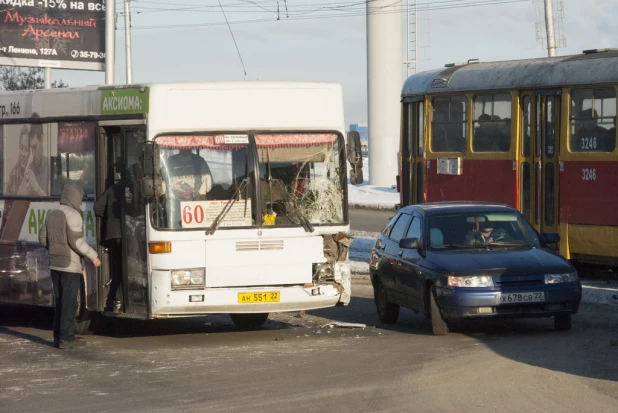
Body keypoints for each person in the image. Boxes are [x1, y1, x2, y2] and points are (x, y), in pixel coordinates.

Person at [39, 183, 101, 349]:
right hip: (69, 265)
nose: (80, 202)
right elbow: (76, 242)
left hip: (54, 264)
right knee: (69, 302)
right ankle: (67, 337)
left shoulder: (52, 213)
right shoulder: (73, 215)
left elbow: (42, 238)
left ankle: (57, 336)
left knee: (59, 301)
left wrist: (53, 250)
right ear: (75, 197)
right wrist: (93, 256)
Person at [162, 149, 213, 228]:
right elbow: (208, 184)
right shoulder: (199, 161)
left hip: (186, 206)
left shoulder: (169, 161)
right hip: (181, 207)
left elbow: (208, 183)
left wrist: (199, 197)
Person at [94, 180, 124, 313]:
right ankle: (119, 299)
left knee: (117, 267)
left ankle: (113, 300)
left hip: (112, 234)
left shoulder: (113, 188)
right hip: (125, 234)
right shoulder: (132, 187)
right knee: (126, 267)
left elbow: (98, 207)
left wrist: (109, 218)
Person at [24, 116, 50, 196]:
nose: (33, 153)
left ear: (41, 140)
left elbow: (52, 202)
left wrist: (37, 188)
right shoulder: (29, 169)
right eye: (31, 148)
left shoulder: (50, 166)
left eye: (35, 147)